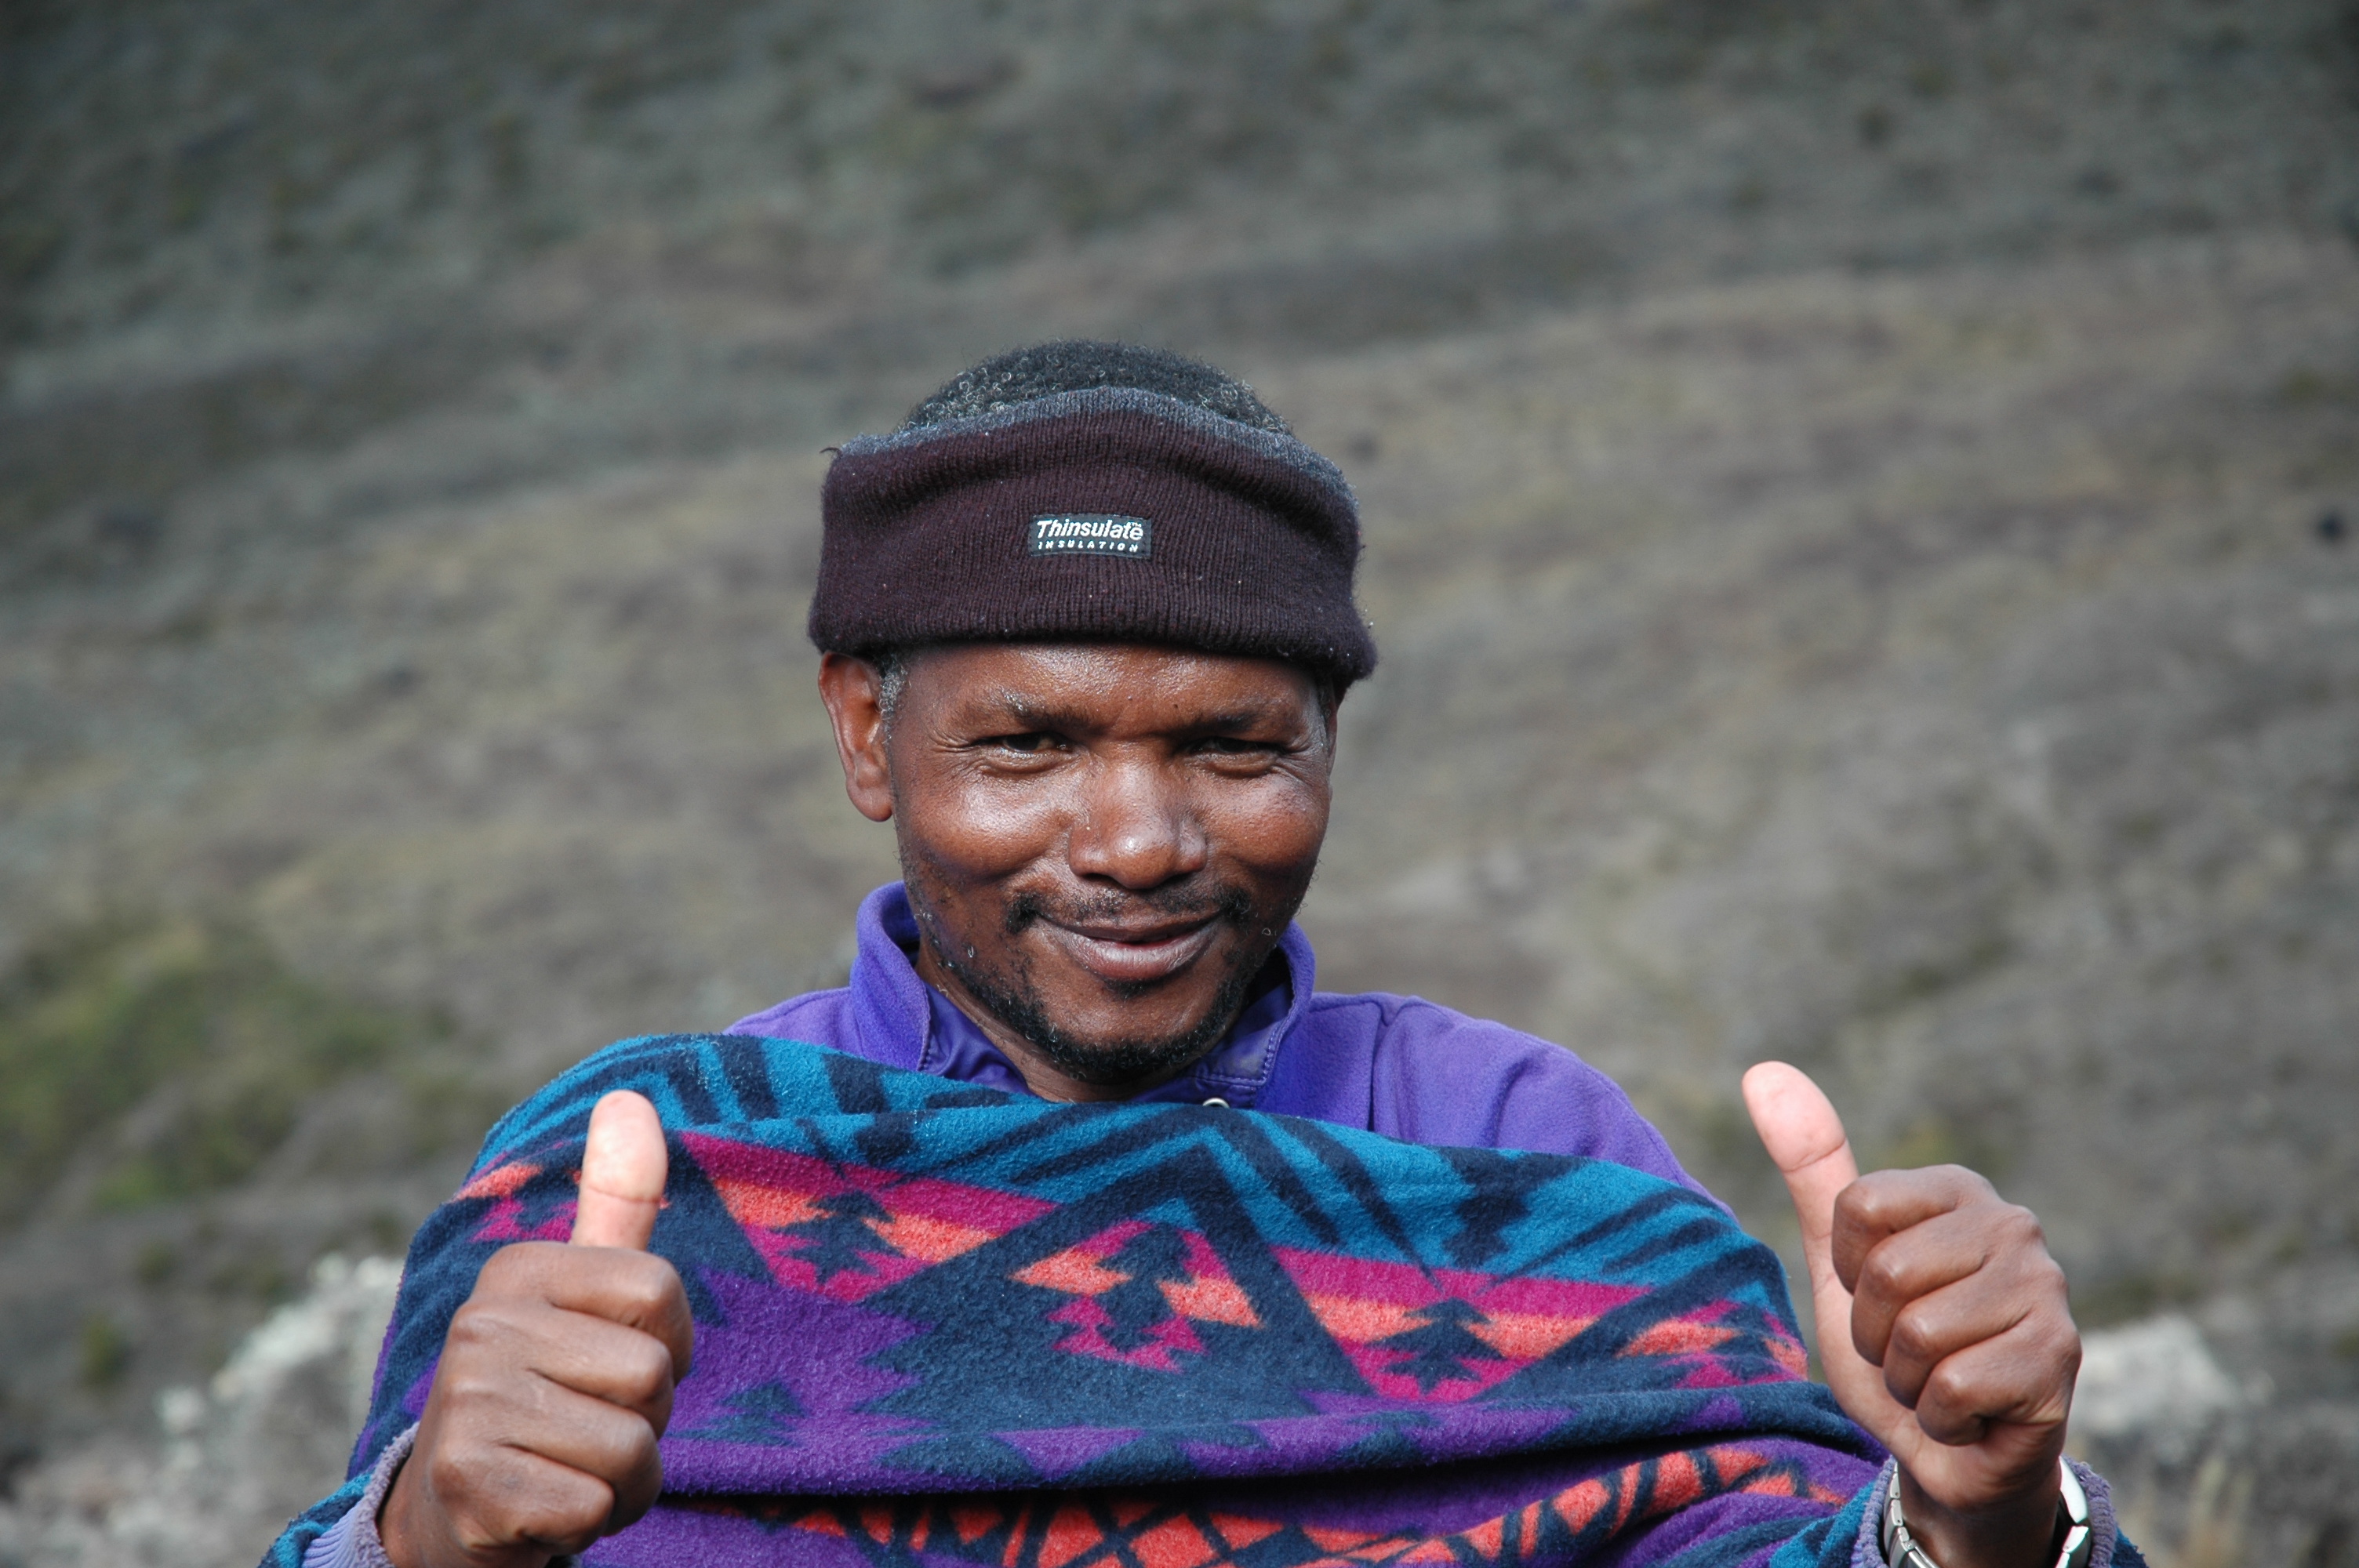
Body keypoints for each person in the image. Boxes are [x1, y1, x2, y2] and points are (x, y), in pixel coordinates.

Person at [274, 343, 2124, 1568]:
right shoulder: (657, 1179)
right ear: (865, 736)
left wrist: (1975, 1516)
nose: (1142, 840)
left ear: (1329, 747)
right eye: (1028, 744)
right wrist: (422, 1539)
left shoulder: (1519, 1144)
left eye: (1234, 748)